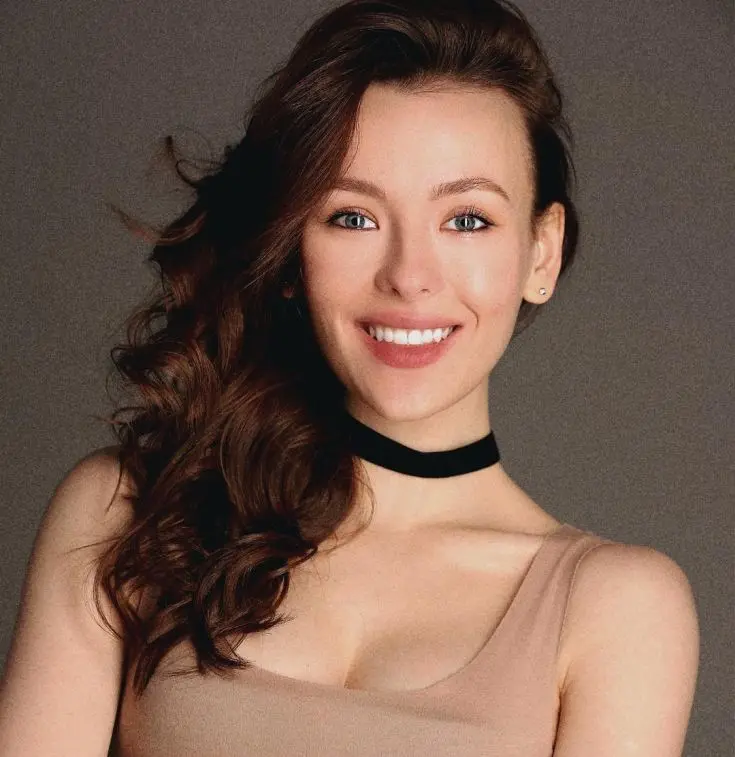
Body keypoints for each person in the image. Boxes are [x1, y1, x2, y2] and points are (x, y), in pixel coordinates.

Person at [0, 0, 699, 755]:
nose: (408, 276)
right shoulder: (128, 511)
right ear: (290, 250)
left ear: (541, 251)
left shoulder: (616, 606)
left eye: (467, 219)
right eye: (353, 217)